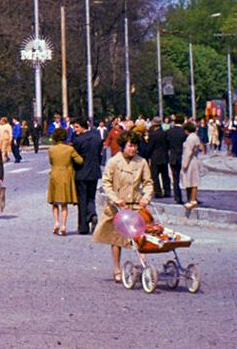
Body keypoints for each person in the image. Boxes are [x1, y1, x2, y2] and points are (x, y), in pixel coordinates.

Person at [93, 132, 154, 282]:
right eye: (130, 146)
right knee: (116, 239)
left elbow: (148, 183)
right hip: (117, 206)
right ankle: (116, 269)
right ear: (123, 146)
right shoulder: (114, 162)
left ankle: (144, 266)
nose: (133, 149)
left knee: (140, 237)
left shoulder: (142, 162)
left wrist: (146, 198)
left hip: (135, 204)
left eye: (135, 146)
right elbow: (106, 183)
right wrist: (115, 199)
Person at [47, 127, 82, 236]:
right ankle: (63, 225)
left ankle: (56, 222)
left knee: (54, 202)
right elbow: (79, 160)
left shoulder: (51, 150)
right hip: (67, 175)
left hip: (55, 175)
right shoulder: (70, 149)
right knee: (64, 204)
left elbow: (51, 162)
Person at [72, 119, 103, 234]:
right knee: (91, 197)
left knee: (82, 199)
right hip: (94, 172)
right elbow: (100, 155)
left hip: (81, 173)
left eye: (76, 127)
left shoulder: (77, 140)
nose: (75, 130)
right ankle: (92, 214)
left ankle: (83, 226)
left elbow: (75, 157)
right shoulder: (97, 138)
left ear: (83, 127)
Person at [180, 122, 202, 210]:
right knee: (194, 180)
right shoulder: (195, 137)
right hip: (195, 160)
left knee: (191, 181)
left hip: (190, 161)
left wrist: (184, 164)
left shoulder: (189, 139)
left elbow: (188, 153)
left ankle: (192, 200)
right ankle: (192, 199)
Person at [165, 115, 187, 205]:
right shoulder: (185, 132)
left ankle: (177, 197)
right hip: (184, 156)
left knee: (175, 178)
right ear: (183, 122)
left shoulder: (169, 131)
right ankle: (190, 197)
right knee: (187, 178)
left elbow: (166, 143)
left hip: (173, 156)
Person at [147, 118, 170, 198]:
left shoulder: (153, 135)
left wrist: (147, 154)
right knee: (165, 175)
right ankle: (167, 191)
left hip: (155, 157)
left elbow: (150, 147)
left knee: (155, 175)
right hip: (164, 156)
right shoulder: (165, 133)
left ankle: (158, 191)